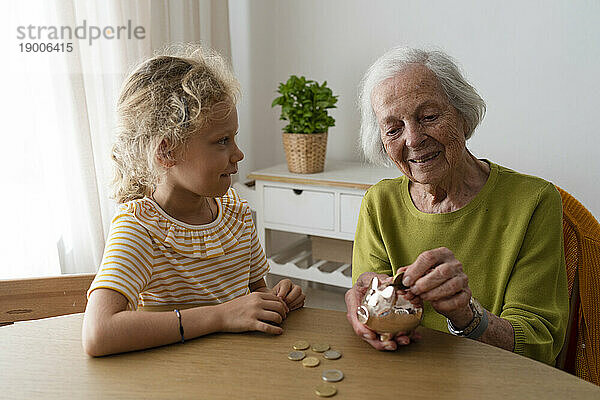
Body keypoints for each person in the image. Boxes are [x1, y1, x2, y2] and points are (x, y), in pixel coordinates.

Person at [345, 47, 568, 365]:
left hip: (494, 380)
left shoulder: (533, 202)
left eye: (429, 117)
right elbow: (372, 297)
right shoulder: (379, 204)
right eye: (393, 129)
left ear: (463, 116)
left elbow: (537, 343)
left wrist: (468, 315)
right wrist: (365, 304)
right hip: (405, 372)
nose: (413, 139)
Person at [83, 45, 305, 357]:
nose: (238, 153)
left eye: (234, 137)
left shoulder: (236, 215)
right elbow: (98, 334)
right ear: (167, 152)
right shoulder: (140, 228)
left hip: (240, 369)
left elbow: (256, 295)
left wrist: (278, 300)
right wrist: (220, 316)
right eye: (222, 141)